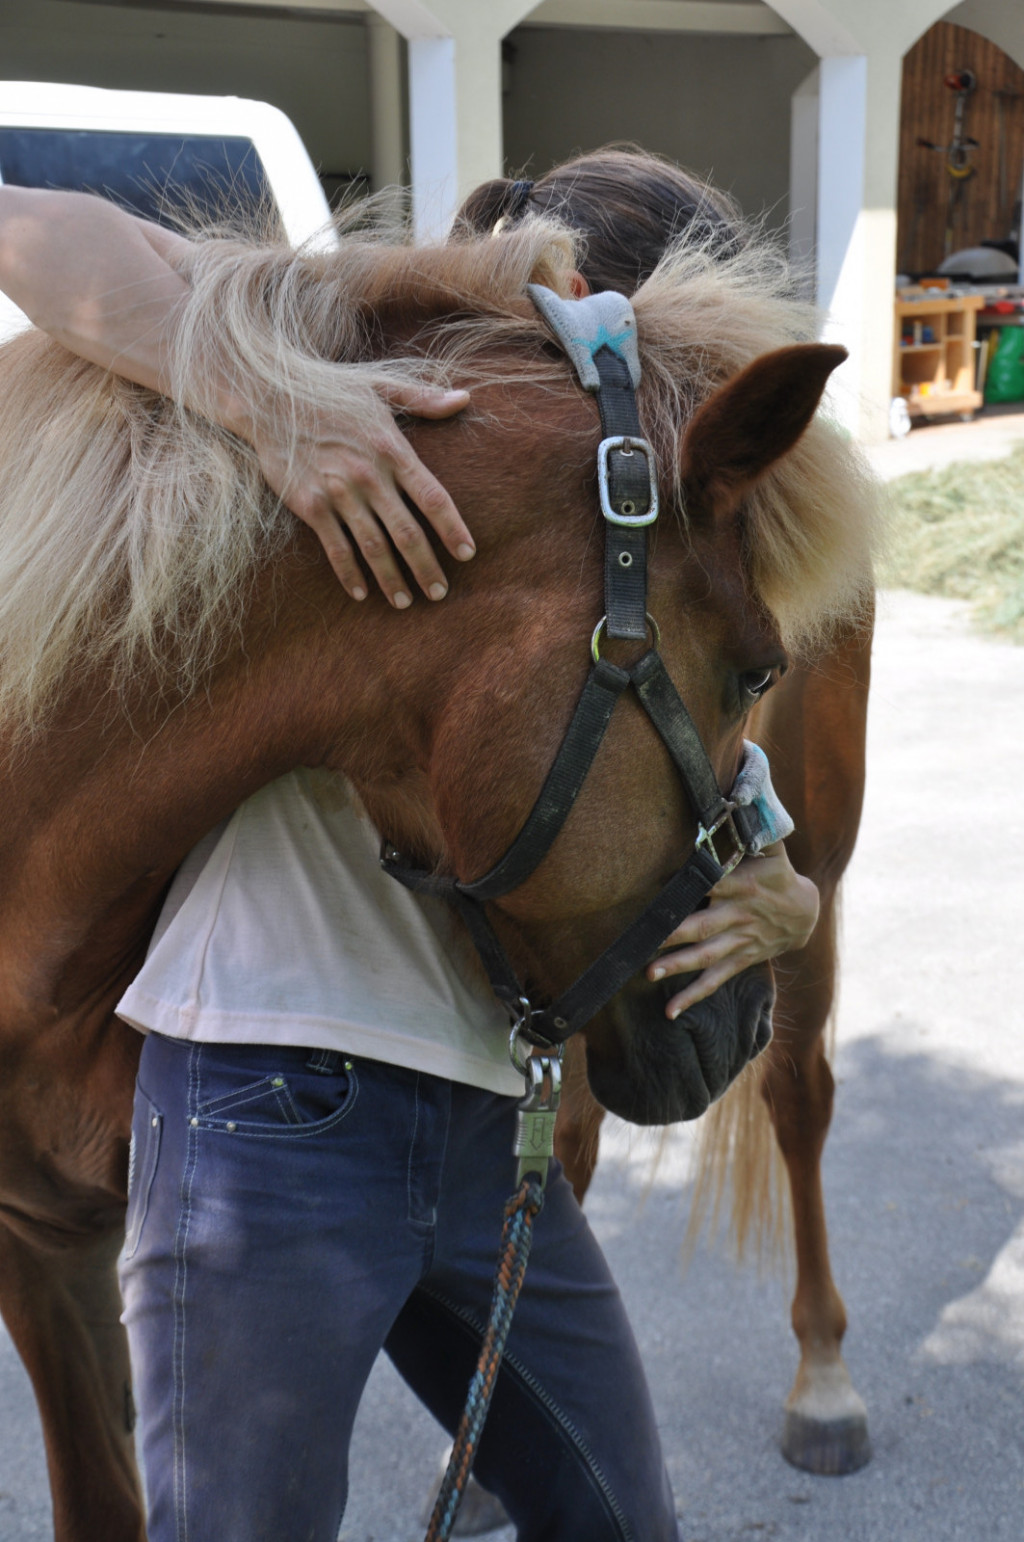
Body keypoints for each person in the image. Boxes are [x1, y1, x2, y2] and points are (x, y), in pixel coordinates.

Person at [0, 149, 819, 1542]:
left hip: (481, 1113)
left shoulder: (592, 505)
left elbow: (680, 727)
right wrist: (269, 411)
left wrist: (780, 884)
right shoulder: (362, 382)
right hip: (272, 1097)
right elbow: (30, 229)